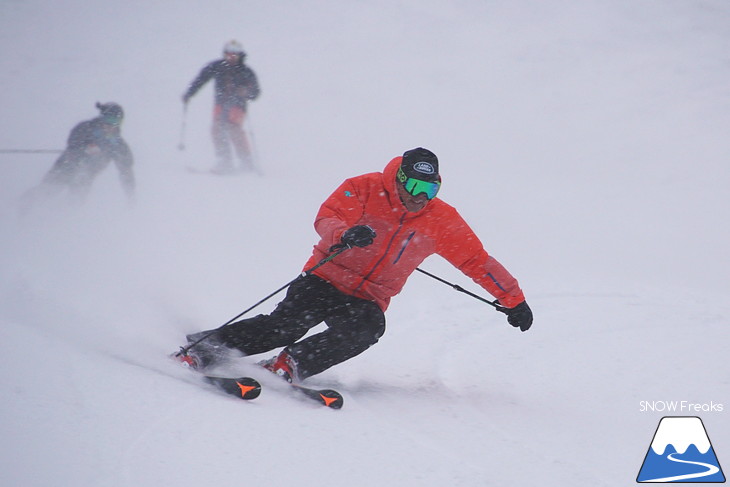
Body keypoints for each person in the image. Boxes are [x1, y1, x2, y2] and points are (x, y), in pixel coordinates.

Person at [177, 148, 533, 383]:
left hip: (368, 297)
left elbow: (476, 261)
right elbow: (328, 216)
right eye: (412, 184)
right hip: (325, 277)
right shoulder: (364, 188)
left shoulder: (441, 219)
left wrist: (513, 300)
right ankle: (204, 348)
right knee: (284, 326)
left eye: (429, 189)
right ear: (398, 177)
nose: (419, 196)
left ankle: (290, 365)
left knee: (367, 330)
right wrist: (345, 234)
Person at [20, 102, 135, 210]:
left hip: (86, 177)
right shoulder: (86, 128)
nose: (111, 125)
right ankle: (20, 207)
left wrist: (131, 198)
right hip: (65, 168)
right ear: (102, 118)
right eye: (108, 120)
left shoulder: (118, 145)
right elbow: (73, 142)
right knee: (46, 192)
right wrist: (84, 149)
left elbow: (126, 171)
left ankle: (58, 222)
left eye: (116, 121)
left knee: (75, 203)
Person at [182, 40, 261, 174]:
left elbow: (255, 92)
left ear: (240, 55)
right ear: (224, 54)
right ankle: (224, 160)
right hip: (221, 104)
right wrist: (190, 93)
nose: (231, 57)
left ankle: (246, 161)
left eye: (235, 54)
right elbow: (201, 79)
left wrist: (247, 92)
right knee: (217, 129)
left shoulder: (246, 71)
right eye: (229, 53)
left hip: (238, 106)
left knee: (233, 128)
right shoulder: (217, 66)